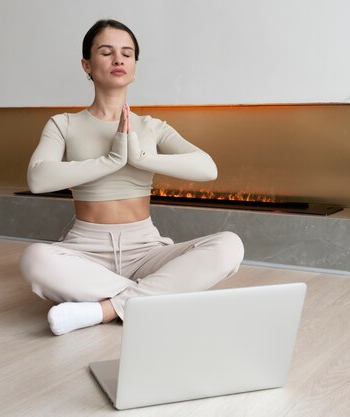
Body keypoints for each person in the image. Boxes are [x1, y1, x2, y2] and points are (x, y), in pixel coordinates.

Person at [19, 19, 244, 336]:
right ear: (86, 64)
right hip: (86, 249)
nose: (118, 59)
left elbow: (208, 168)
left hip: (147, 250)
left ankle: (105, 309)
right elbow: (38, 179)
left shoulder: (152, 127)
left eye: (127, 53)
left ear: (135, 66)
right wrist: (111, 160)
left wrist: (141, 158)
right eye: (106, 52)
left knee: (229, 246)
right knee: (34, 260)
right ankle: (156, 297)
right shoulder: (63, 124)